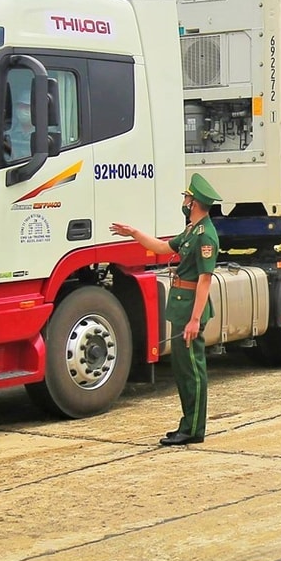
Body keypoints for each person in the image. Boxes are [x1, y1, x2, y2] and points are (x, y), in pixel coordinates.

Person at [110, 173, 221, 446]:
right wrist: (134, 233)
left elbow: (205, 279)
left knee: (193, 371)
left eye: (186, 197)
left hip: (191, 309)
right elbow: (161, 247)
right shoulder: (192, 231)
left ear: (194, 203)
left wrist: (195, 319)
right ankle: (188, 424)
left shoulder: (206, 235)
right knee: (183, 370)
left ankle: (195, 429)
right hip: (182, 306)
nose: (183, 201)